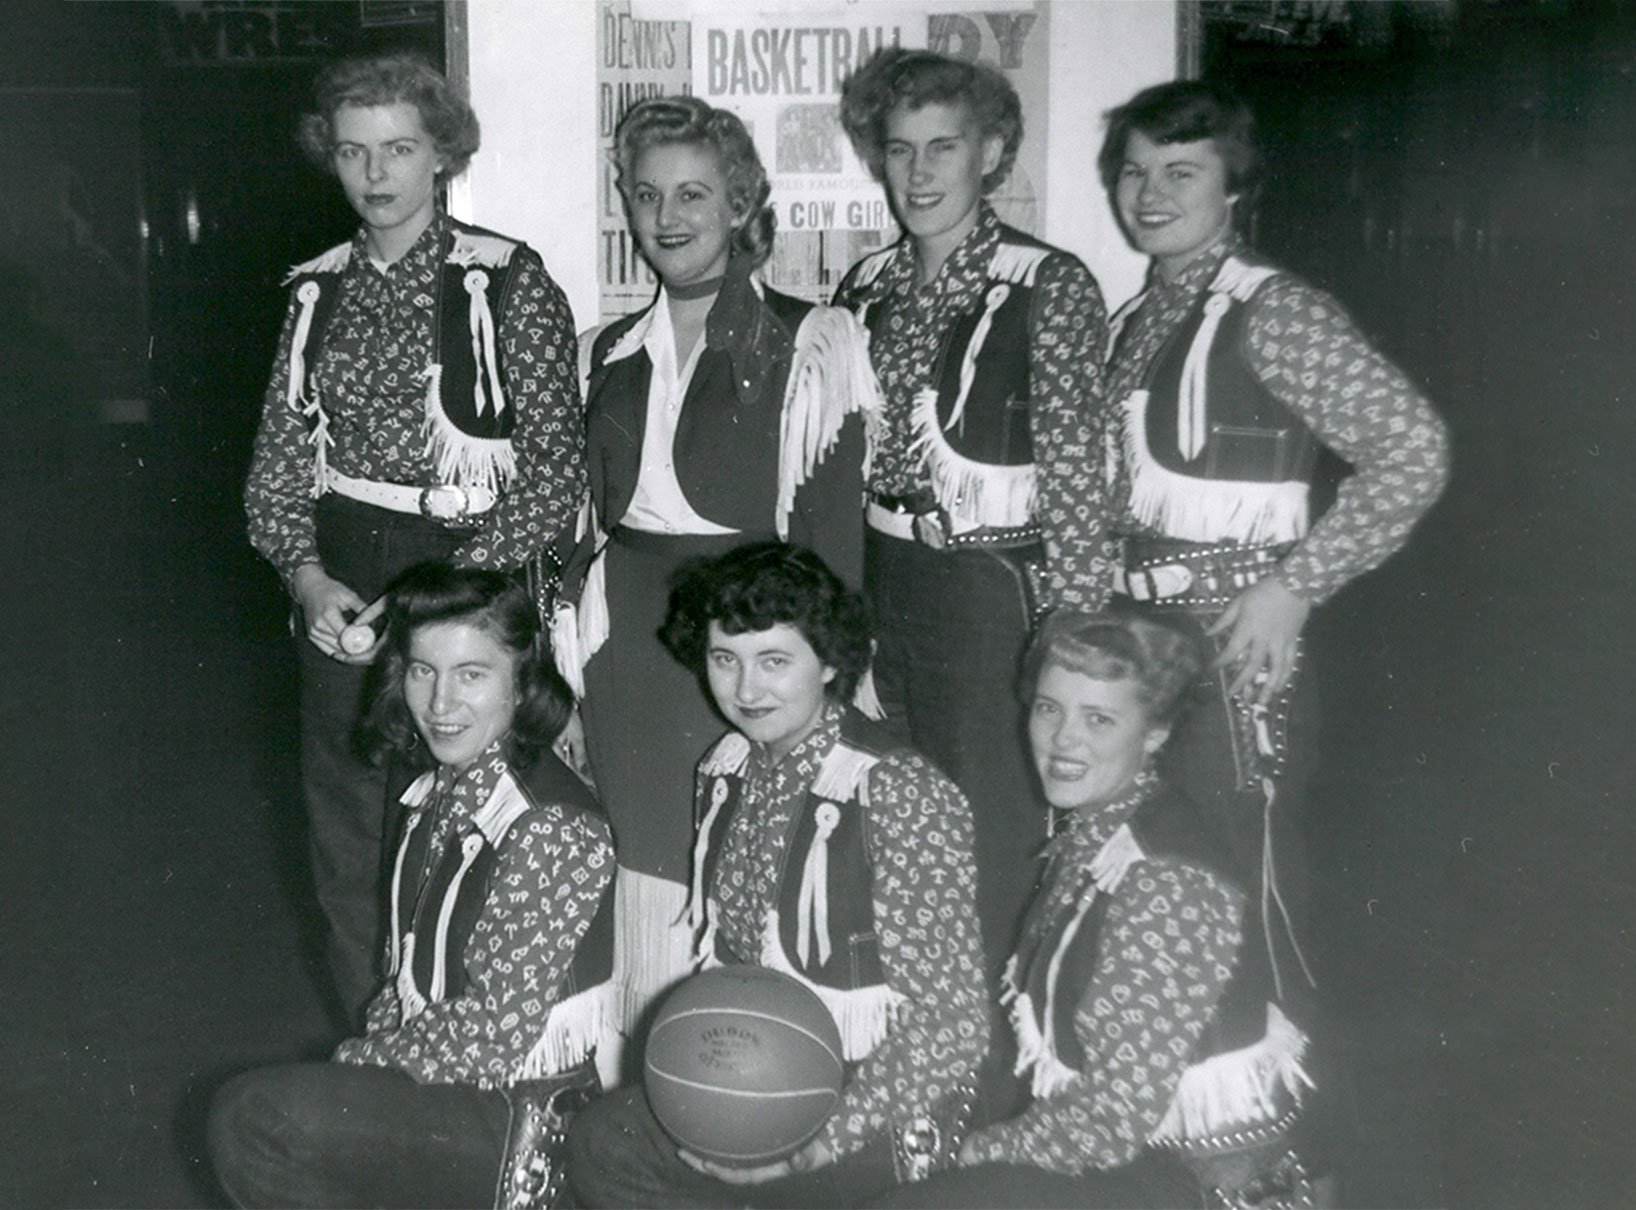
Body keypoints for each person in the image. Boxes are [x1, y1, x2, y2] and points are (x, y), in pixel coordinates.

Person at [1095, 80, 1451, 1022]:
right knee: (1163, 877)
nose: (1150, 193)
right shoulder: (1138, 319)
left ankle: (1282, 1107)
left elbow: (1413, 450)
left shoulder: (1274, 309)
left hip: (1231, 646)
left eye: (1181, 171)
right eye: (1134, 171)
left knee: (1247, 878)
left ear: (1235, 186)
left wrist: (1296, 587)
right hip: (1139, 641)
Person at [243, 50, 584, 1023]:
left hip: (471, 569)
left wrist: (435, 597)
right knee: (348, 828)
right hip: (347, 571)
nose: (376, 172)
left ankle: (474, 1037)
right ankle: (373, 1033)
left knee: (470, 810)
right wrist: (308, 579)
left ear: (442, 155)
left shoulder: (506, 280)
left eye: (398, 148)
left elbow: (554, 475)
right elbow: (276, 469)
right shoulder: (314, 292)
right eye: (354, 152)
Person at [558, 95, 878, 1034]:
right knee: (637, 871)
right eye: (647, 194)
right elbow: (575, 534)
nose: (667, 217)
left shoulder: (811, 342)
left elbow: (831, 548)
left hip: (750, 647)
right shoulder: (603, 354)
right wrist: (562, 670)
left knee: (744, 859)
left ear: (741, 204)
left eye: (693, 194)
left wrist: (828, 683)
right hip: (624, 652)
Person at [564, 543, 988, 1209]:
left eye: (775, 661)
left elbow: (955, 1025)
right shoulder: (727, 765)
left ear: (831, 662)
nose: (746, 689)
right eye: (724, 659)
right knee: (603, 1142)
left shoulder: (899, 791)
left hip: (879, 1096)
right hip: (757, 1068)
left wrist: (820, 1142)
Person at [830, 48, 1111, 1002]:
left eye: (942, 147)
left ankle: (992, 1062)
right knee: (895, 826)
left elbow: (1077, 477)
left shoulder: (1048, 284)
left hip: (989, 595)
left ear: (990, 154)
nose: (918, 173)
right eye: (899, 149)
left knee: (991, 837)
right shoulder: (864, 287)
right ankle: (914, 1045)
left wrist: (1074, 643)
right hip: (880, 585)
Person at [874, 611, 1319, 1209]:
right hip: (1132, 1164)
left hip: (1200, 1186)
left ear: (1155, 732)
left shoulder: (1166, 883)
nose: (1063, 740)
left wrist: (982, 1150)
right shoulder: (1108, 827)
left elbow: (1114, 1117)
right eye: (1048, 709)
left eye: (1099, 719)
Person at [208, 565, 616, 1209]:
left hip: (520, 1119)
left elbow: (494, 1033)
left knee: (257, 1119)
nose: (440, 704)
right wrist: (372, 1053)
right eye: (424, 671)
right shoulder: (445, 787)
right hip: (452, 1083)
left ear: (522, 683)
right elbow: (405, 981)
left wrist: (361, 1061)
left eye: (471, 675)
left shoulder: (549, 824)